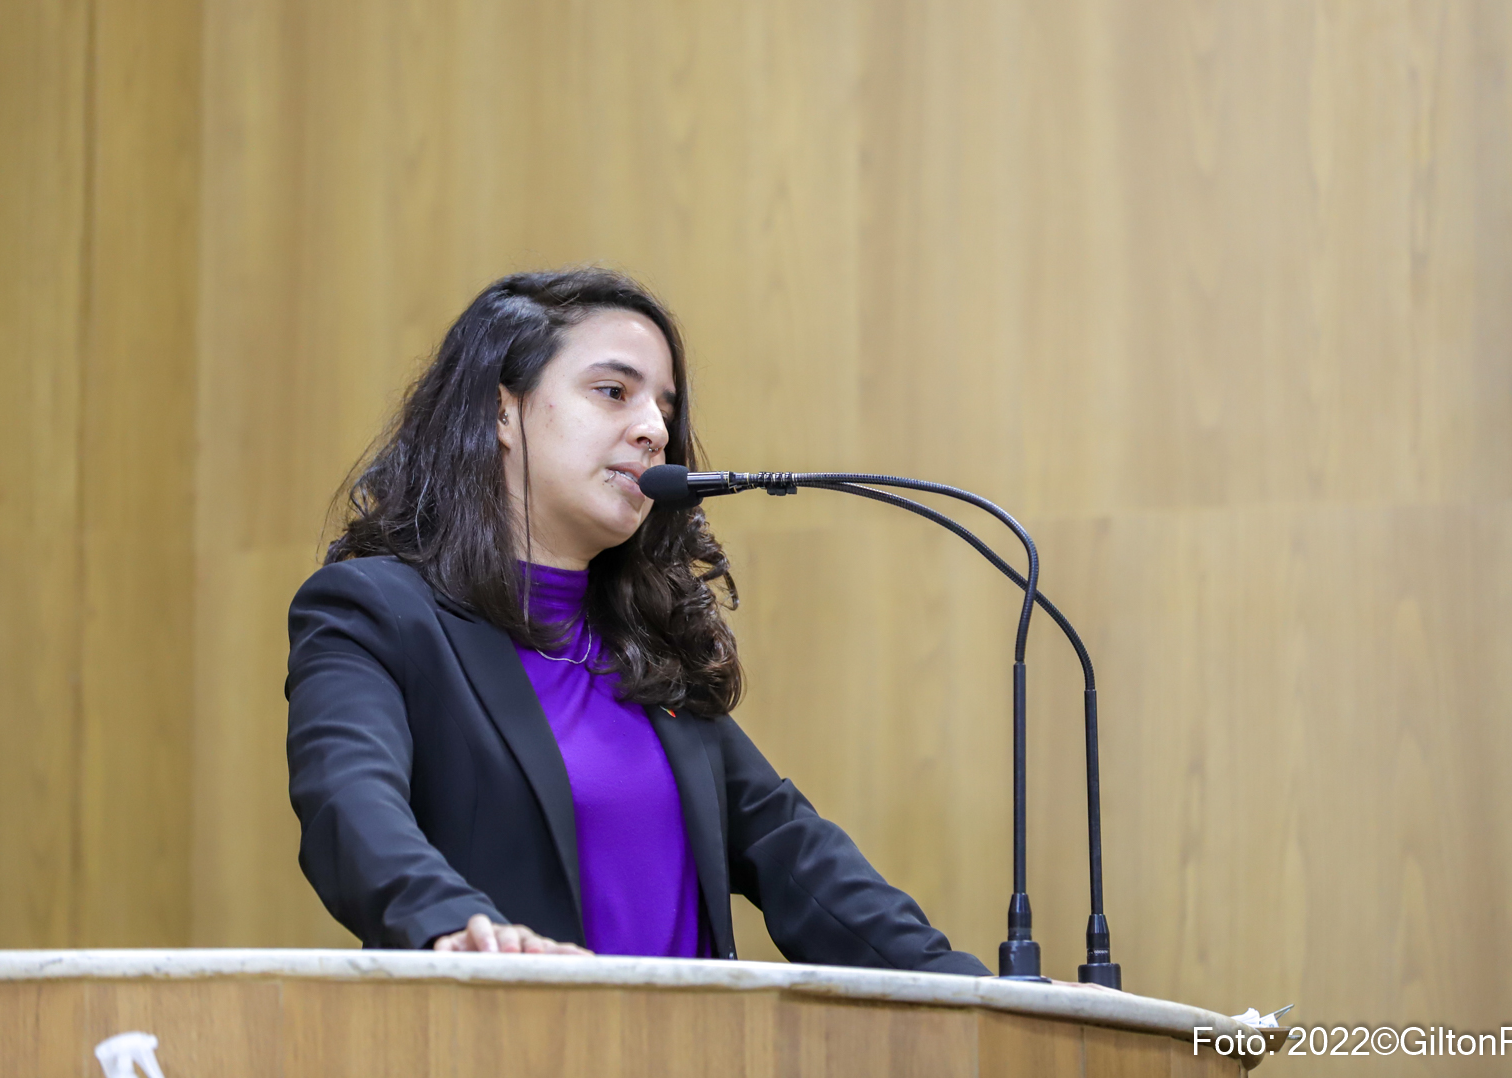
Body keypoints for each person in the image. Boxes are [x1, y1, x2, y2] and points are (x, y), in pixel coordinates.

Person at [286, 268, 988, 975]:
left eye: (664, 409)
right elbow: (350, 807)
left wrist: (978, 993)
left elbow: (800, 858)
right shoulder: (377, 614)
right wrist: (451, 925)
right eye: (613, 392)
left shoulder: (641, 648)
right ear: (502, 411)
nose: (654, 430)